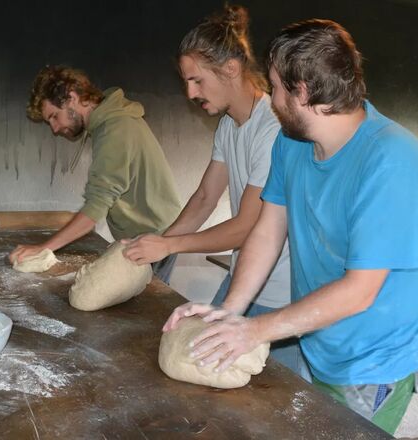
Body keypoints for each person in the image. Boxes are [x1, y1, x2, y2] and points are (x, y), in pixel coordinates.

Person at [163, 19, 418, 434]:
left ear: (302, 91)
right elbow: (267, 229)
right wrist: (229, 311)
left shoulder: (391, 160)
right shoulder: (291, 143)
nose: (271, 97)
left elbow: (360, 290)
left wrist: (256, 330)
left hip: (373, 360)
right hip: (318, 341)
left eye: (277, 87)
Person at [123, 5, 309, 380]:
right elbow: (206, 197)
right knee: (203, 366)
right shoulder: (228, 126)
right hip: (245, 279)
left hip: (283, 294)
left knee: (280, 402)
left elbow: (247, 227)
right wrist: (157, 241)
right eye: (185, 82)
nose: (189, 93)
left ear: (230, 69)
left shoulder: (271, 128)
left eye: (196, 81)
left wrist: (171, 247)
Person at [9, 65, 182, 283]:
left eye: (54, 116)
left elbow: (95, 208)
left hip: (154, 239)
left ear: (71, 98)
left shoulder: (116, 129)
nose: (54, 128)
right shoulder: (110, 125)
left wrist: (43, 248)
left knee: (144, 309)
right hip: (145, 235)